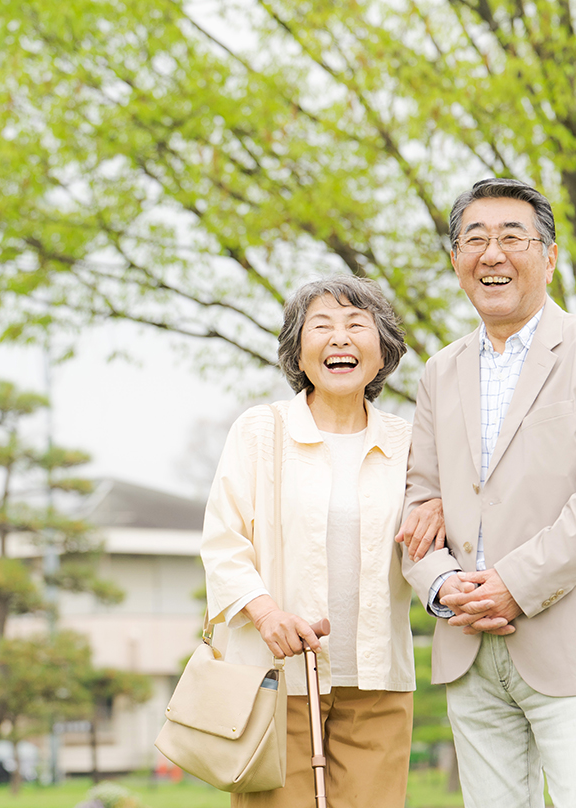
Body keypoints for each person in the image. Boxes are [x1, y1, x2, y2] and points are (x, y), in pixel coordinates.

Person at [396, 178, 576, 808]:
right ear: (456, 262)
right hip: (468, 644)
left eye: (512, 237)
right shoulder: (439, 370)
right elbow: (418, 502)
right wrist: (440, 586)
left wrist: (513, 583)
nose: (492, 254)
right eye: (474, 239)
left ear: (548, 256)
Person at [201, 275, 420, 808]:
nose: (339, 338)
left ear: (383, 351)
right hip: (276, 678)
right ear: (298, 354)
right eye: (321, 326)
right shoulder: (260, 431)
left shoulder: (411, 442)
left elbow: (433, 538)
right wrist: (268, 613)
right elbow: (223, 540)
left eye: (356, 325)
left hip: (378, 677)